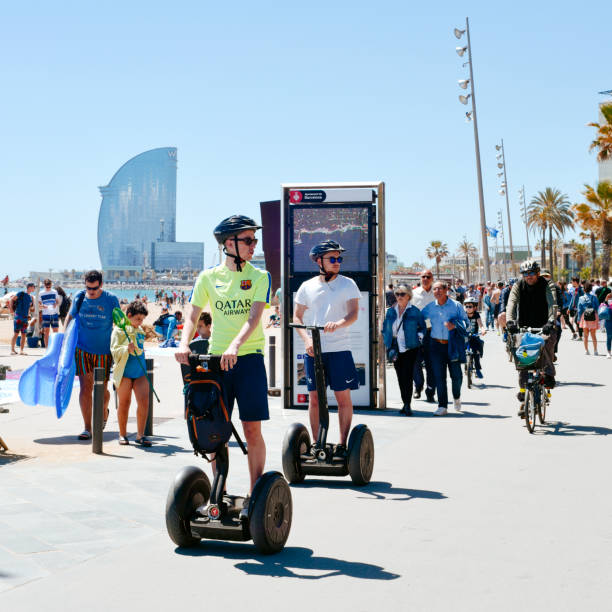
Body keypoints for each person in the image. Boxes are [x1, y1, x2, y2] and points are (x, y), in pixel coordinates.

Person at [175, 215, 271, 518]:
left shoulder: (260, 277)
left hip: (249, 357)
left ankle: (256, 495)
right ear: (229, 244)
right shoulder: (207, 278)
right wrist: (183, 343)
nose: (253, 245)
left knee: (251, 429)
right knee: (215, 430)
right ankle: (220, 493)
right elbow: (193, 314)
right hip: (217, 361)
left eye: (254, 240)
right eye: (248, 240)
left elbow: (254, 318)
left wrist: (236, 346)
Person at [294, 240, 360, 453]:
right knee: (314, 399)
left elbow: (353, 314)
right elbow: (297, 316)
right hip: (315, 351)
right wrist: (306, 340)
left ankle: (342, 443)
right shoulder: (307, 286)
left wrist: (339, 324)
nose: (337, 262)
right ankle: (316, 444)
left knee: (343, 397)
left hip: (340, 349)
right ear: (319, 261)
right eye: (332, 258)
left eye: (339, 258)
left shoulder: (348, 283)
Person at [64, 270, 120, 440]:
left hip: (103, 351)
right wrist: (63, 339)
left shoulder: (111, 299)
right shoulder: (80, 297)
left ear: (100, 285)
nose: (91, 292)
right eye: (88, 288)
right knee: (85, 387)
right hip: (82, 349)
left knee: (101, 389)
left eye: (94, 288)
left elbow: (120, 323)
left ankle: (104, 411)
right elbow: (70, 316)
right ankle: (87, 428)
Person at [506, 260, 556, 417]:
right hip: (524, 326)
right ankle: (523, 397)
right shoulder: (518, 286)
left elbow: (552, 304)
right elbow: (511, 304)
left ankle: (548, 374)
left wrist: (551, 321)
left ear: (538, 273)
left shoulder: (548, 285)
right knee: (522, 357)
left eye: (531, 273)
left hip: (544, 325)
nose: (528, 276)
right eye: (525, 274)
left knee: (547, 341)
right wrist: (510, 321)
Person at [422, 281, 468, 416]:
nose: (437, 291)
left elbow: (467, 323)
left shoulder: (456, 305)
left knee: (457, 376)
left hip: (452, 346)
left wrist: (455, 325)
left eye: (439, 289)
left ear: (446, 290)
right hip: (436, 345)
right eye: (435, 289)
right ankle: (442, 406)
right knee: (439, 377)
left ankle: (457, 396)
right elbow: (419, 318)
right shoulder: (430, 307)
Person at [110, 300, 151, 446]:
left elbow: (140, 350)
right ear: (128, 315)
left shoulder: (139, 331)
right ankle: (122, 434)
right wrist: (126, 349)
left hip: (140, 372)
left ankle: (141, 435)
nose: (140, 322)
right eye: (137, 319)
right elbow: (114, 351)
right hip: (124, 373)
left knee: (144, 402)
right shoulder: (118, 330)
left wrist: (136, 348)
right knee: (124, 403)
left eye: (142, 319)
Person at [382, 284, 426, 416]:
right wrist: (387, 341)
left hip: (410, 347)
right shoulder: (390, 311)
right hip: (395, 348)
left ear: (409, 296)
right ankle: (405, 402)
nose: (399, 297)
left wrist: (419, 337)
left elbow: (422, 327)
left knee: (407, 375)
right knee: (400, 376)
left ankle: (407, 404)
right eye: (397, 294)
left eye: (402, 294)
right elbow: (385, 328)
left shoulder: (414, 311)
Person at [411, 269, 436, 402]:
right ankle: (418, 386)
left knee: (432, 362)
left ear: (432, 278)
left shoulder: (437, 293)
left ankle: (431, 391)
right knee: (415, 361)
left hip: (433, 332)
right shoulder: (414, 294)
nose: (425, 278)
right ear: (420, 278)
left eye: (428, 276)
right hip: (417, 331)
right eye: (423, 276)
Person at [9, 282, 35, 355]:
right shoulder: (21, 293)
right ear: (29, 287)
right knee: (16, 334)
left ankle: (21, 350)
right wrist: (11, 310)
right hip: (18, 317)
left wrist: (31, 313)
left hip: (25, 318)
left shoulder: (31, 297)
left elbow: (30, 308)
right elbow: (11, 300)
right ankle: (12, 350)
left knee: (24, 334)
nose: (34, 288)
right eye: (33, 287)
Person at [464, 296, 486, 378]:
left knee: (476, 351)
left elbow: (480, 324)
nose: (468, 308)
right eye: (466, 306)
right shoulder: (464, 315)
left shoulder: (476, 315)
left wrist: (483, 330)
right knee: (461, 347)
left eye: (470, 306)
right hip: (465, 336)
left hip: (474, 336)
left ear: (475, 307)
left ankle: (477, 369)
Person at [577, 282, 600, 355]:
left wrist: (578, 319)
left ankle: (586, 351)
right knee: (593, 335)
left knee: (585, 335)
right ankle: (595, 351)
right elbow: (597, 307)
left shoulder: (581, 298)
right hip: (593, 316)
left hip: (585, 317)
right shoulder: (594, 297)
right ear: (591, 289)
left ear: (584, 289)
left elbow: (579, 310)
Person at [39, 279, 60, 348]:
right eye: (47, 287)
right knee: (46, 333)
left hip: (54, 314)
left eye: (49, 286)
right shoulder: (41, 293)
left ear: (51, 285)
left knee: (56, 333)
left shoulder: (54, 292)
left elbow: (57, 301)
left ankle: (55, 348)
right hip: (45, 315)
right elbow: (39, 304)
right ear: (44, 285)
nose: (48, 288)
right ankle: (47, 349)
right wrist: (43, 306)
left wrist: (55, 304)